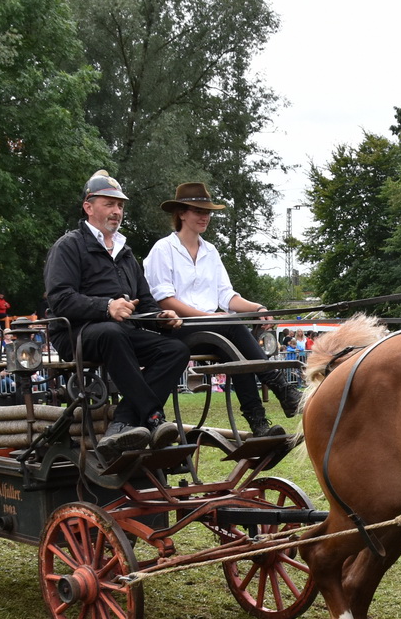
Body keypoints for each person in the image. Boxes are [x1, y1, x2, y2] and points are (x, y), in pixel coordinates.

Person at [44, 169, 188, 458]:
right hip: (76, 334)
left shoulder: (125, 253)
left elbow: (145, 303)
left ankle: (123, 420)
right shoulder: (69, 246)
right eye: (109, 204)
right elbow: (59, 298)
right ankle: (153, 417)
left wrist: (161, 318)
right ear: (89, 207)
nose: (116, 211)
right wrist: (106, 307)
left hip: (120, 334)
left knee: (176, 349)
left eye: (120, 205)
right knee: (112, 332)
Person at [144, 181, 301, 437]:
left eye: (207, 212)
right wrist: (209, 317)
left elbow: (227, 296)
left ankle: (259, 424)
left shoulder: (211, 251)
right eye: (198, 211)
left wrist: (257, 308)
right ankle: (279, 386)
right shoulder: (163, 249)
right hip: (176, 329)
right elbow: (165, 301)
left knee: (237, 348)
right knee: (231, 324)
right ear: (181, 213)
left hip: (214, 330)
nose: (204, 217)